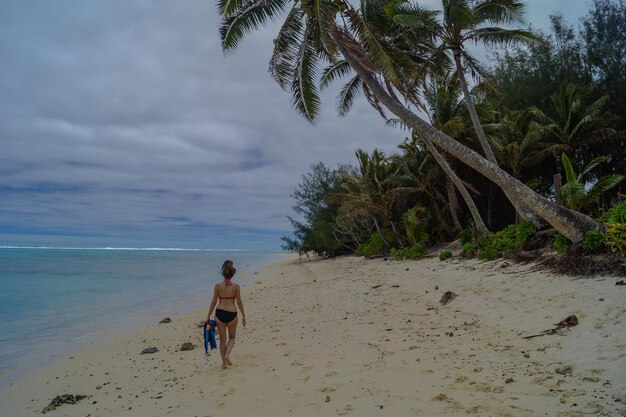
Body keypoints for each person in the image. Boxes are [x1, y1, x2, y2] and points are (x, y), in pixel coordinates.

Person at [206, 260, 246, 369]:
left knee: (222, 341)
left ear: (223, 273)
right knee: (232, 338)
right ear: (233, 274)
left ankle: (224, 363)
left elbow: (214, 302)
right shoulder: (236, 286)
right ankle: (228, 355)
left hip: (220, 314)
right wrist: (243, 316)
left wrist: (208, 316)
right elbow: (239, 302)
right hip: (232, 314)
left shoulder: (217, 286)